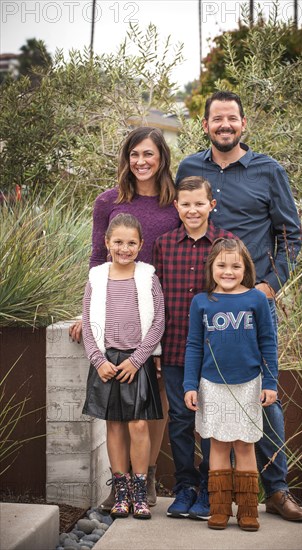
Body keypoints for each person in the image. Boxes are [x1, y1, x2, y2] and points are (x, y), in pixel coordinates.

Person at [176, 91, 302, 522]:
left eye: (232, 119)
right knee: (206, 396)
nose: (225, 126)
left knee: (264, 398)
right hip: (206, 305)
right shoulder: (190, 168)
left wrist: (270, 286)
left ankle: (276, 488)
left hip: (254, 305)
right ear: (206, 124)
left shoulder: (269, 171)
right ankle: (206, 491)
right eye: (217, 119)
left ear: (243, 124)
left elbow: (291, 235)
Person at [70, 127, 180, 510]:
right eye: (134, 154)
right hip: (116, 309)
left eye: (149, 154)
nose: (142, 161)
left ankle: (145, 476)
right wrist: (88, 315)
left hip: (162, 308)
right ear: (126, 158)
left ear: (162, 157)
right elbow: (97, 260)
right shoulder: (109, 201)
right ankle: (121, 486)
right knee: (119, 411)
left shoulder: (174, 202)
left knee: (158, 393)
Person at [153, 176, 236, 520]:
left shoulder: (227, 244)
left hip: (216, 352)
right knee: (181, 419)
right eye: (185, 204)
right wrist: (155, 348)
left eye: (199, 203)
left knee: (214, 422)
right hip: (174, 348)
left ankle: (208, 487)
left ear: (211, 205)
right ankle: (185, 486)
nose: (192, 210)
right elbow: (155, 299)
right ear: (177, 207)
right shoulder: (164, 243)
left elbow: (238, 297)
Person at [184, 237, 278, 531]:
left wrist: (271, 382)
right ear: (211, 267)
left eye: (235, 265)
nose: (228, 271)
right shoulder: (201, 302)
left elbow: (268, 343)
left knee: (246, 446)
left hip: (248, 385)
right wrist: (190, 385)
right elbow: (194, 346)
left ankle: (249, 511)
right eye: (221, 265)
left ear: (245, 268)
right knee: (218, 447)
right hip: (212, 385)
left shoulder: (256, 299)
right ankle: (220, 509)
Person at [82, 213, 165, 519]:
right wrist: (97, 360)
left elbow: (158, 322)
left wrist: (137, 359)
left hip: (136, 361)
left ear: (141, 245)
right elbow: (89, 324)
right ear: (107, 243)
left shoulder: (148, 277)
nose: (125, 248)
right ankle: (120, 492)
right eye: (118, 242)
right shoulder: (96, 278)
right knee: (114, 424)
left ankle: (140, 491)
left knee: (139, 424)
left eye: (131, 243)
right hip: (106, 361)